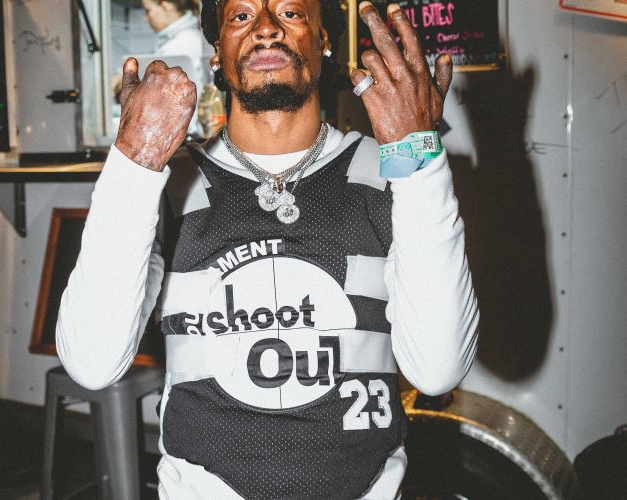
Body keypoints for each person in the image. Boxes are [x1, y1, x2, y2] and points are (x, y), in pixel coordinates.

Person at [57, 0, 479, 497]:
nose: (265, 28)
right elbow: (92, 362)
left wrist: (418, 156)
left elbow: (438, 370)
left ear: (324, 40)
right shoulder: (168, 183)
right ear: (217, 52)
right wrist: (133, 160)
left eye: (291, 12)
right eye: (241, 16)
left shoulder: (394, 167)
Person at [141, 0, 210, 136]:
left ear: (165, 5)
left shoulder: (179, 45)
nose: (145, 18)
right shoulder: (182, 40)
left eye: (148, 11)